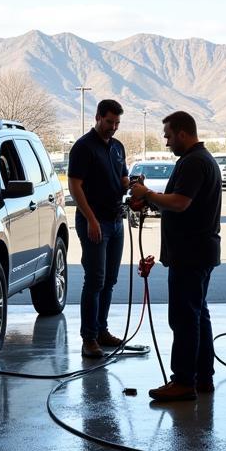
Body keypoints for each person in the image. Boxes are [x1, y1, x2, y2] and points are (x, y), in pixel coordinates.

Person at [130, 111, 221, 403]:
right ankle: (202, 376)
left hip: (190, 254)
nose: (167, 142)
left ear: (183, 133)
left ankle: (183, 381)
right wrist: (152, 200)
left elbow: (180, 203)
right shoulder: (198, 159)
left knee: (184, 318)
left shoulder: (194, 162)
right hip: (198, 251)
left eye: (168, 136)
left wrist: (148, 193)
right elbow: (182, 204)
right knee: (197, 315)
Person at [68, 99, 130, 359]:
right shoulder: (83, 147)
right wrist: (91, 220)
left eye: (116, 123)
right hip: (94, 222)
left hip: (116, 221)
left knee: (110, 280)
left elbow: (122, 178)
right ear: (97, 117)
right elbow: (75, 186)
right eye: (109, 122)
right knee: (94, 280)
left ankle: (102, 330)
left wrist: (132, 184)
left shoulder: (117, 147)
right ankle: (89, 339)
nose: (113, 128)